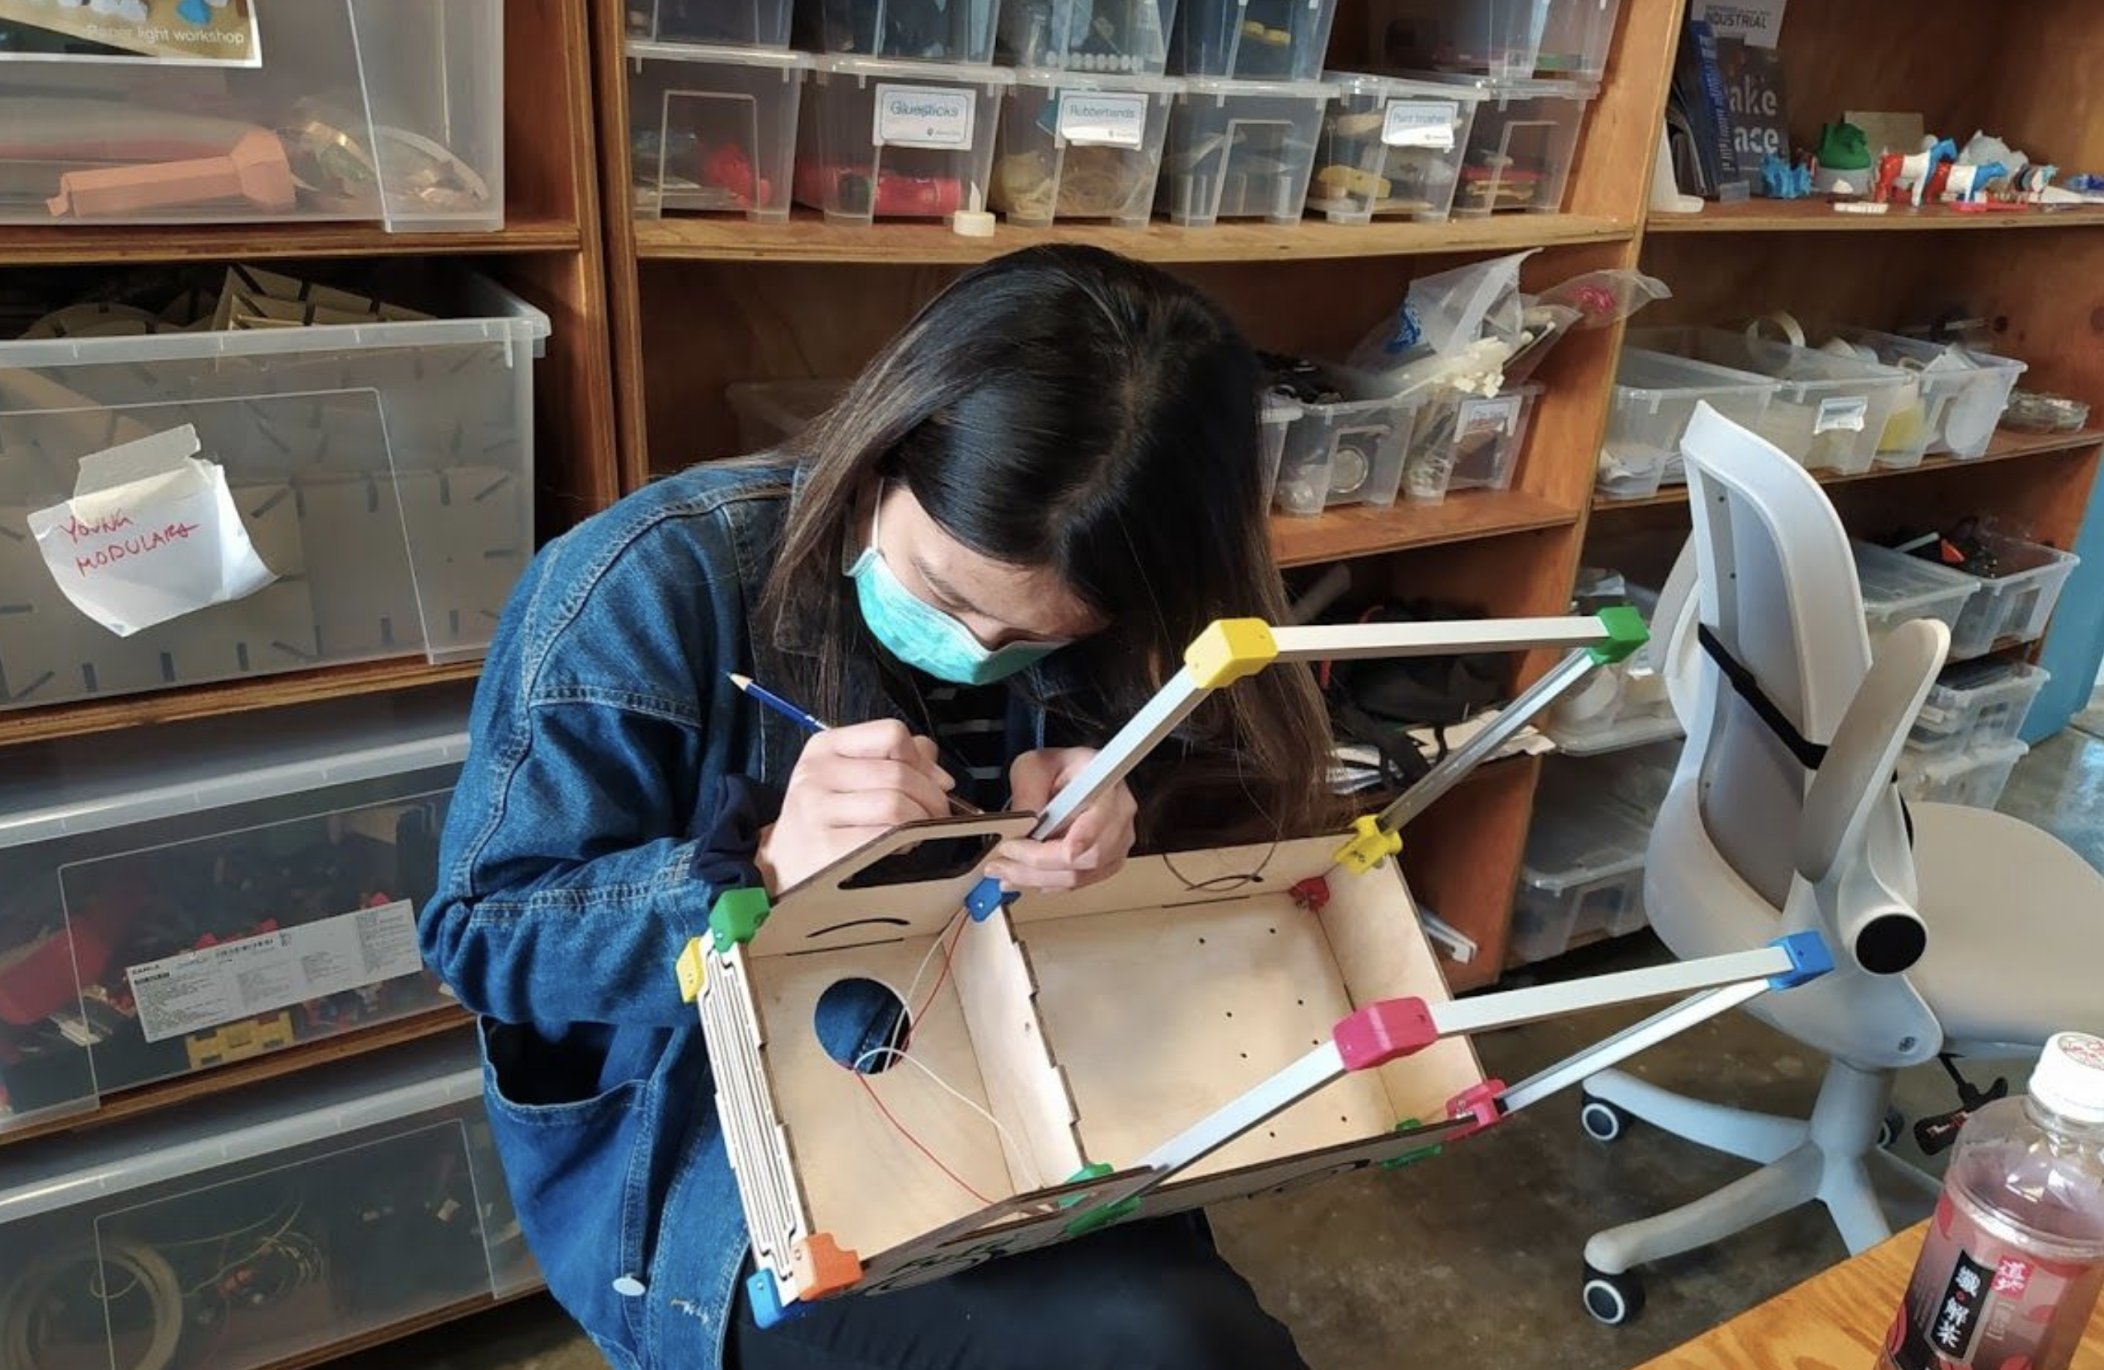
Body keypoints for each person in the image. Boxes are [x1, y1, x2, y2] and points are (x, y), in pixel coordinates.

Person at [420, 245, 1333, 1370]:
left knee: (1200, 1340)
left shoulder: (1128, 588)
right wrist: (756, 871)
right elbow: (481, 935)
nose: (980, 649)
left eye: (1039, 636)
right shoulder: (647, 584)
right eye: (944, 594)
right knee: (1149, 1343)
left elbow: (1224, 855)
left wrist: (1121, 797)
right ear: (874, 465)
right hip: (729, 1157)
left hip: (1015, 1083)